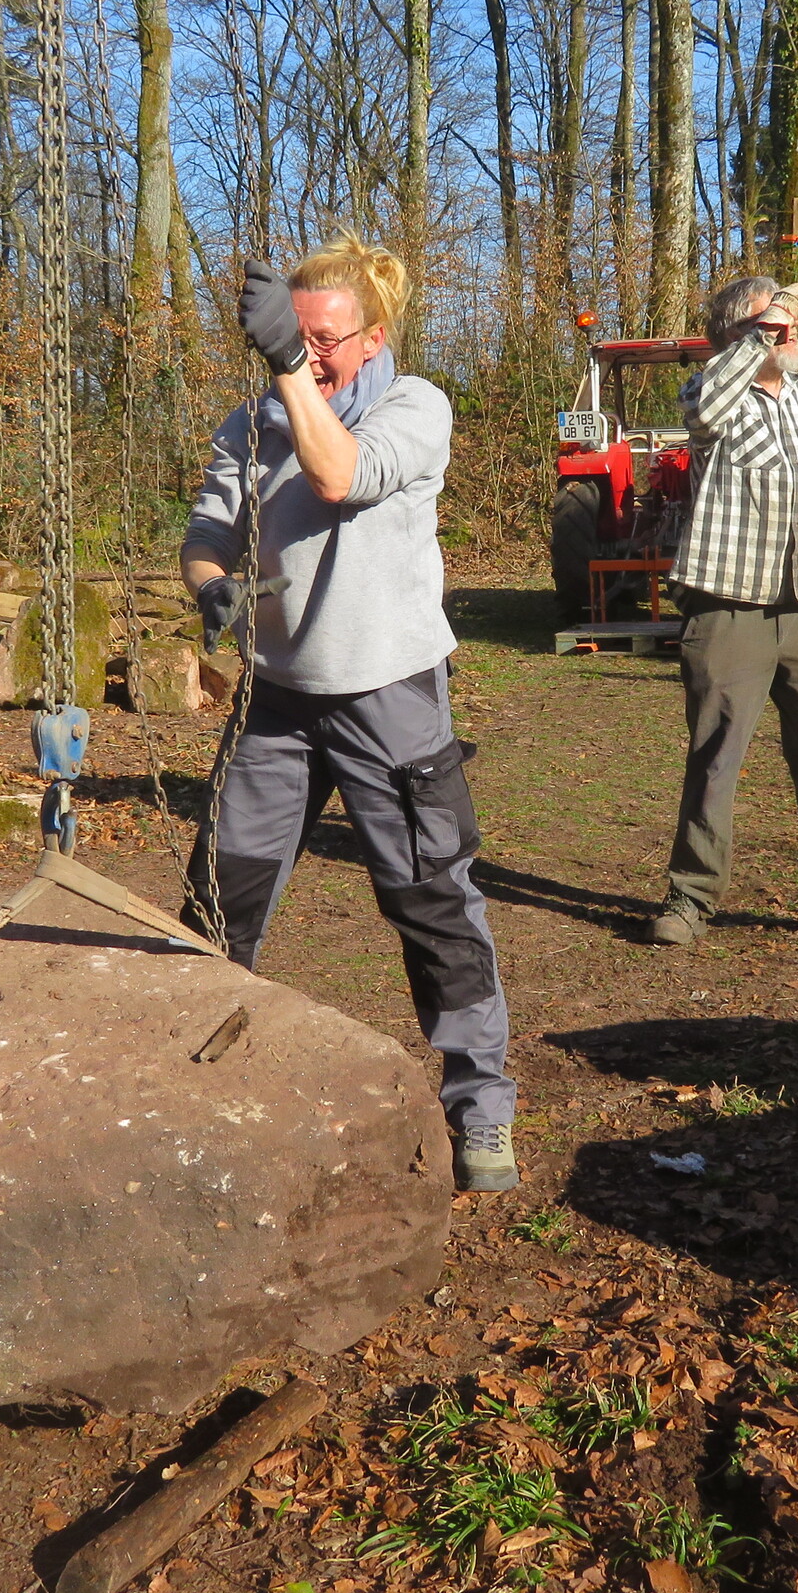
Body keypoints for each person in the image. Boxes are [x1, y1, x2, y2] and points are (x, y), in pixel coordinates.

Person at [179, 237, 520, 1193]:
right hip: (276, 701)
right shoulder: (252, 423)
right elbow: (206, 536)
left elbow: (339, 476)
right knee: (218, 894)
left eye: (324, 338)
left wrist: (291, 368)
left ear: (373, 337)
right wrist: (209, 585)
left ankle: (481, 1107)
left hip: (389, 697)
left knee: (432, 901)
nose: (305, 351)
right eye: (292, 335)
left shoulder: (416, 407)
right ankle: (187, 1080)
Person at [645, 274, 798, 947]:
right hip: (728, 606)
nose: (787, 331)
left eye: (788, 324)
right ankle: (691, 899)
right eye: (768, 324)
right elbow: (706, 411)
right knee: (717, 756)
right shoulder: (709, 393)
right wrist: (773, 316)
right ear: (735, 336)